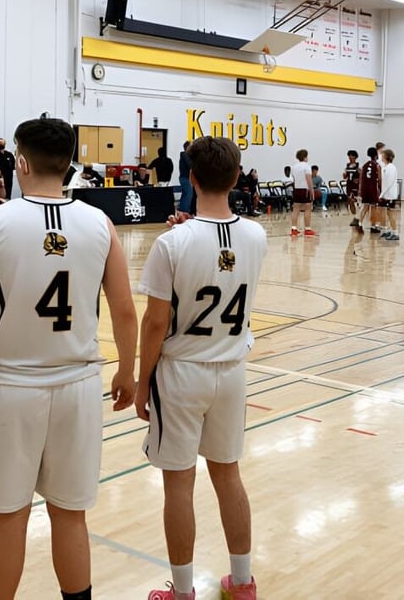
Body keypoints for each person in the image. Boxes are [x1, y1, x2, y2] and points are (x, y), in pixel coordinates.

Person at [0, 117, 138, 600]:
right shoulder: (99, 223)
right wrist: (127, 367)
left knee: (9, 518)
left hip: (13, 386)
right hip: (79, 385)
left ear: (20, 161)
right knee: (70, 514)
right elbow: (123, 308)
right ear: (71, 164)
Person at [131, 136, 267, 600]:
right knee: (228, 474)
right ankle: (243, 582)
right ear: (236, 178)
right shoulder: (257, 235)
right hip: (231, 370)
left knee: (179, 484)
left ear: (190, 177)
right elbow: (222, 250)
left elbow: (155, 323)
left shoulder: (172, 243)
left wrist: (141, 381)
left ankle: (183, 591)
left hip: (182, 372)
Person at [290, 149, 315, 237]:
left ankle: (293, 229)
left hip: (296, 189)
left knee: (295, 209)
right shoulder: (307, 166)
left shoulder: (294, 167)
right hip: (305, 190)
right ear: (305, 157)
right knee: (308, 208)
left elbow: (294, 179)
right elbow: (309, 180)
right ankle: (307, 229)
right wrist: (312, 192)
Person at [357, 148, 382, 233]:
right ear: (375, 155)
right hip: (372, 188)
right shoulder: (377, 165)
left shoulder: (364, 165)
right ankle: (373, 226)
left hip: (365, 188)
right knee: (374, 207)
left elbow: (361, 178)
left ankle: (359, 223)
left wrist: (360, 190)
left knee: (365, 206)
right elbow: (380, 179)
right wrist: (380, 188)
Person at [379, 149, 400, 241]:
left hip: (390, 195)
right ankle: (389, 231)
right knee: (387, 213)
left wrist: (381, 194)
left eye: (382, 155)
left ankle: (395, 232)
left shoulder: (391, 167)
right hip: (386, 195)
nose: (381, 157)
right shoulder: (385, 167)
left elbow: (389, 183)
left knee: (391, 214)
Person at [344, 150, 361, 226]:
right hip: (349, 185)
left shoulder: (358, 166)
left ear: (355, 157)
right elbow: (345, 177)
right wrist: (344, 175)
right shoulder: (347, 166)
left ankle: (358, 217)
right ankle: (354, 217)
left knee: (355, 200)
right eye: (349, 156)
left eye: (351, 156)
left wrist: (358, 179)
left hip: (355, 186)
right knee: (350, 201)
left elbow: (361, 175)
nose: (350, 157)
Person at [178, 141, 193, 213]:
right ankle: (185, 210)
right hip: (185, 178)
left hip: (184, 177)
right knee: (189, 194)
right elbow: (190, 165)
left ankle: (181, 208)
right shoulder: (185, 155)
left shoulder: (184, 155)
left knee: (185, 194)